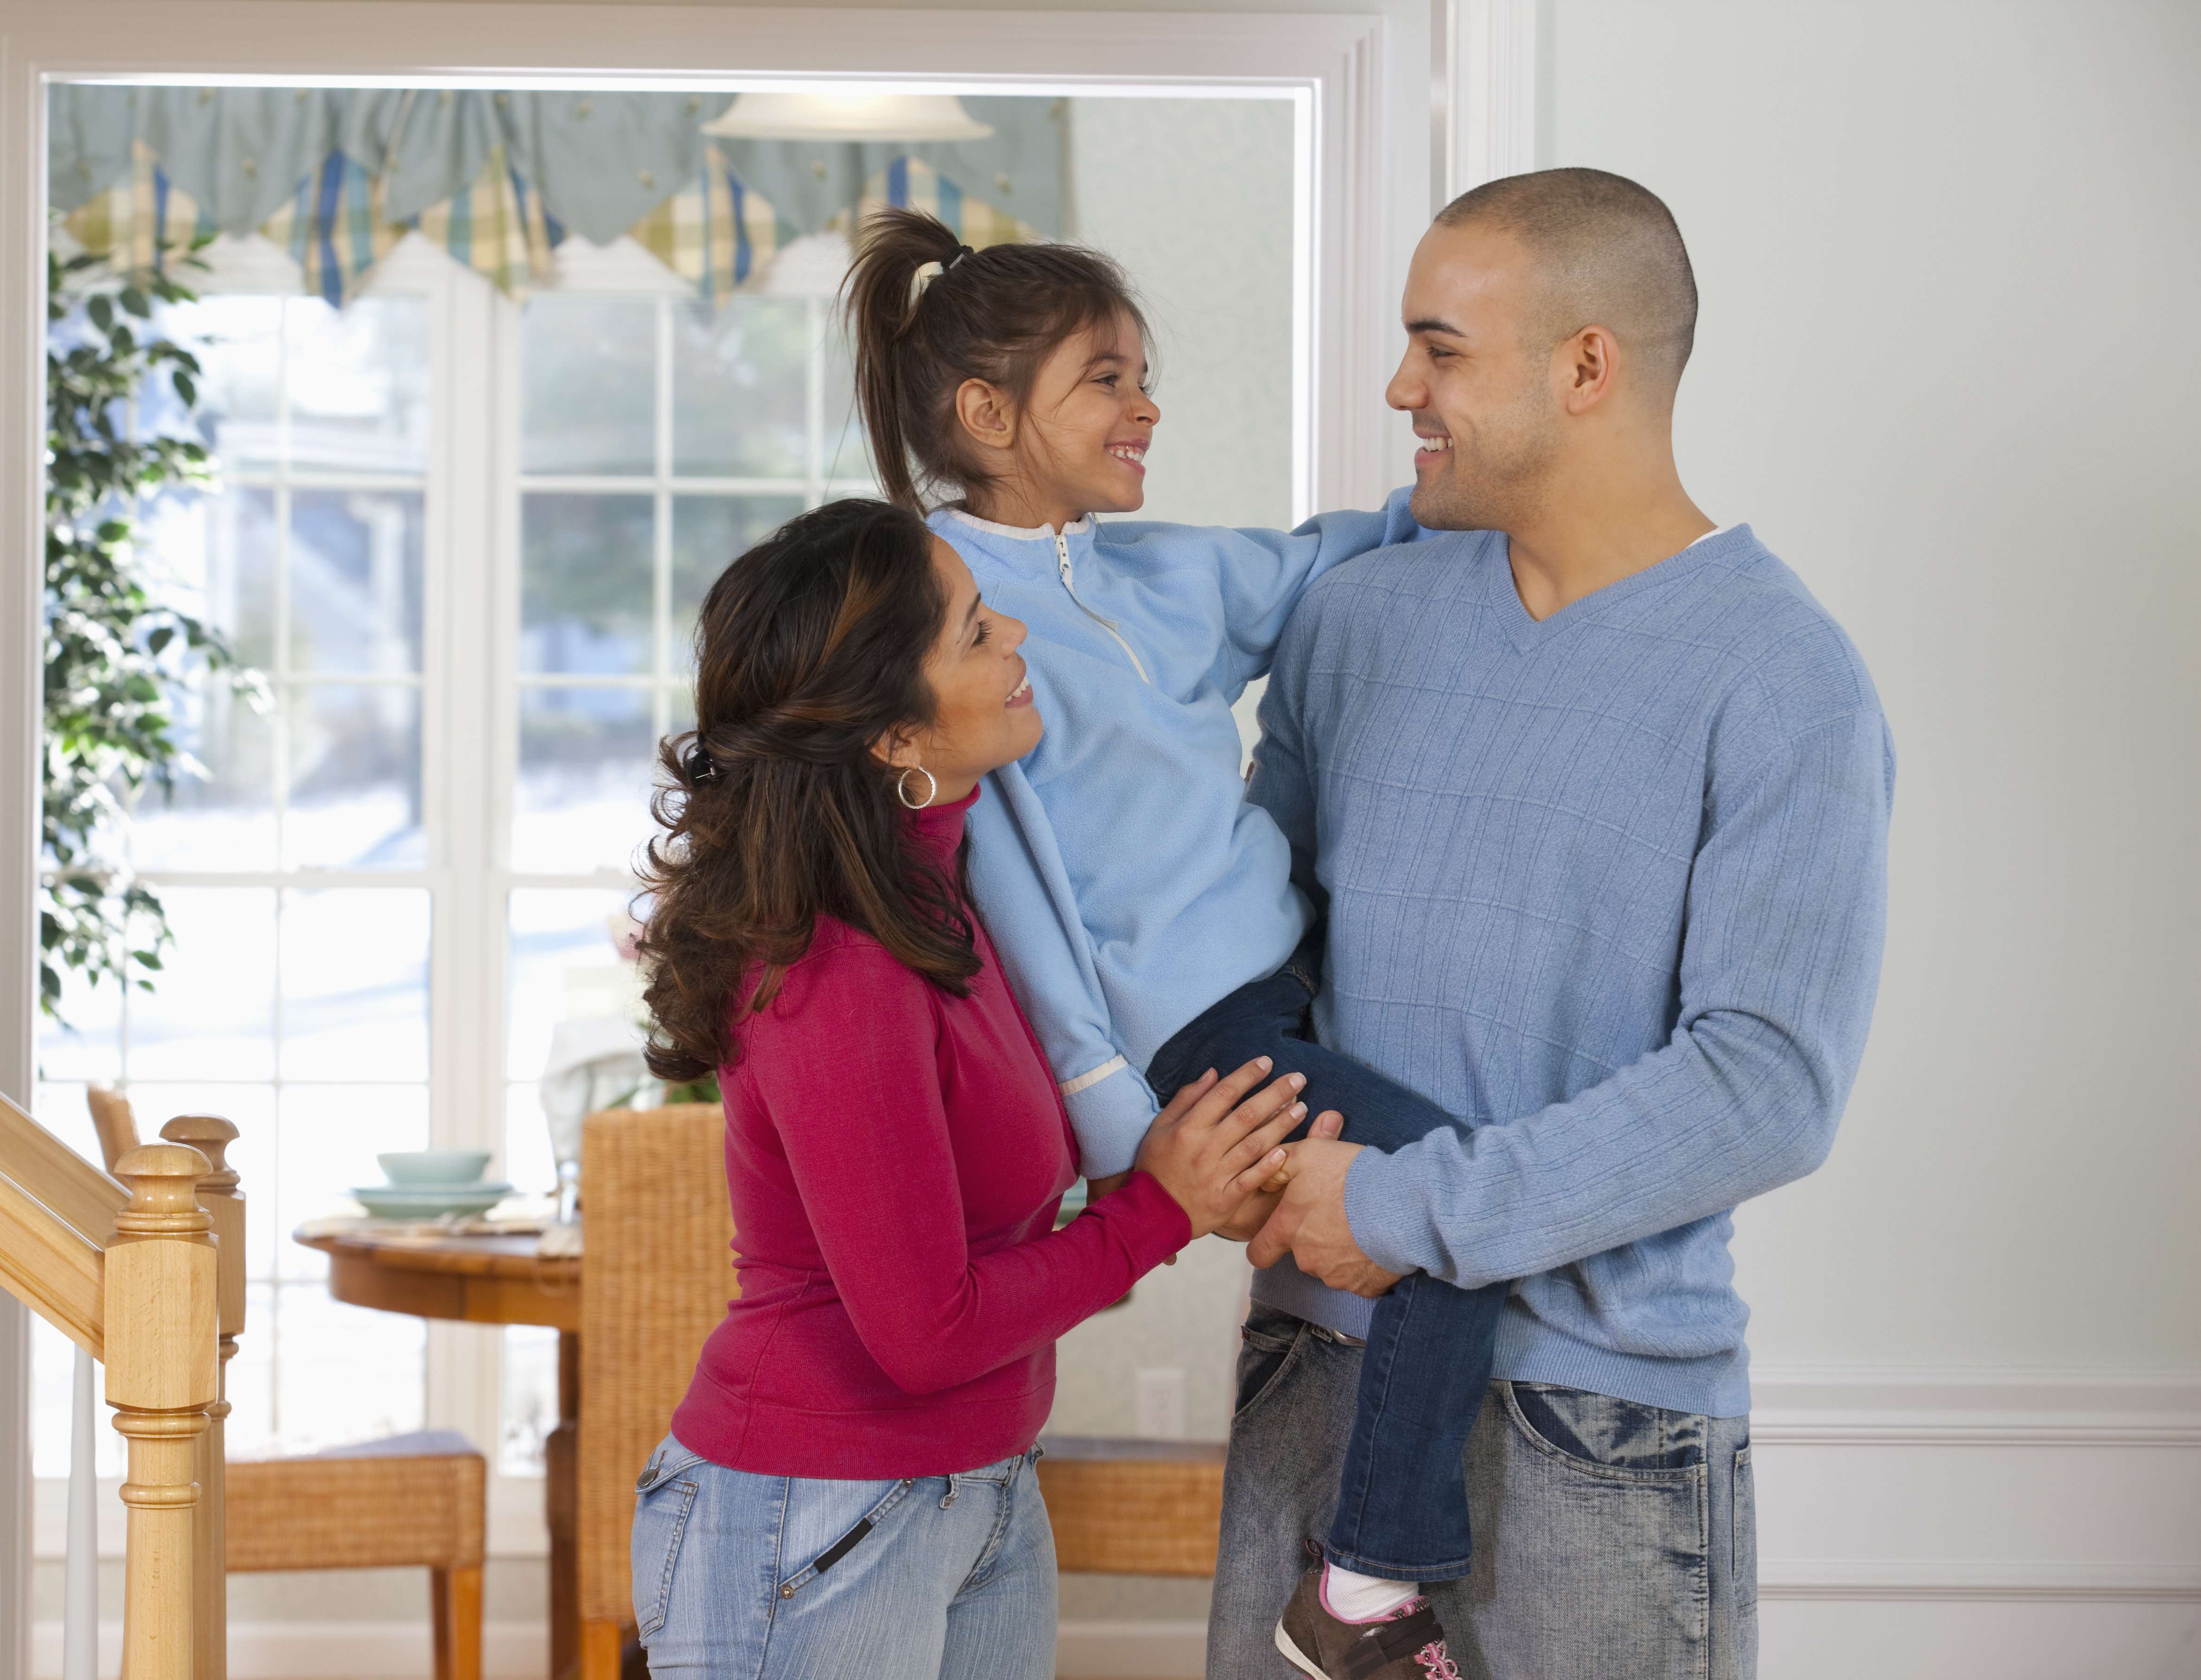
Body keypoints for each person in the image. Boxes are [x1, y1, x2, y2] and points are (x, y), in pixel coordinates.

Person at [1230, 168, 1893, 1679]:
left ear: (1587, 366)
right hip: (1315, 1375)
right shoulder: (1355, 623)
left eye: (1441, 349)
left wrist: (1401, 1210)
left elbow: (1768, 1084)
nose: (1401, 389)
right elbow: (1259, 961)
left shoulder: (1784, 679)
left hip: (1595, 1425)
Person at [845, 207, 1500, 1674]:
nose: (1146, 407)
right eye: (1107, 379)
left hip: (1297, 981)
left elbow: (1322, 558)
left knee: (1436, 1204)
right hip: (1204, 1036)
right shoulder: (955, 619)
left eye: (1145, 376)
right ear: (988, 417)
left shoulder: (1152, 573)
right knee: (1451, 1209)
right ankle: (1365, 1588)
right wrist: (1117, 1119)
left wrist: (1473, 472)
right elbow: (1002, 895)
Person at [628, 497, 1316, 1679]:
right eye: (975, 633)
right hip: (810, 1515)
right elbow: (925, 1333)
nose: (1017, 640)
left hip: (981, 1486)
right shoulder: (833, 964)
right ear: (894, 735)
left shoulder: (953, 892)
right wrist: (1156, 1210)